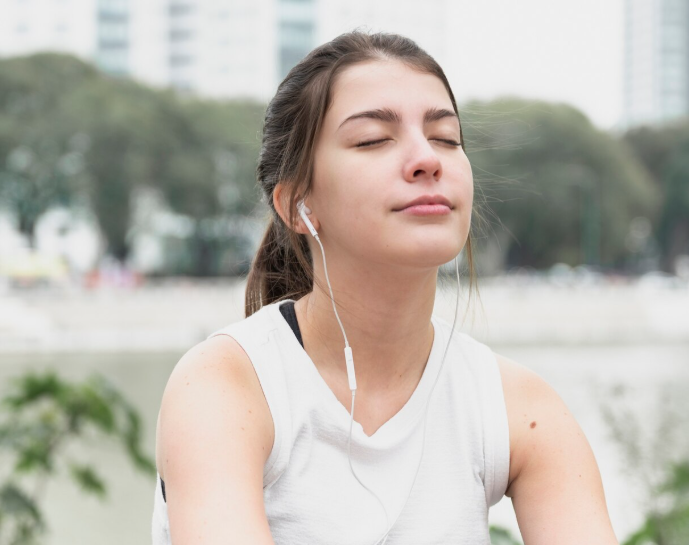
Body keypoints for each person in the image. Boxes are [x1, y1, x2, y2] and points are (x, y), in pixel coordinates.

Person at [151, 30, 619, 545]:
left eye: (446, 137)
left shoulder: (519, 407)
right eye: (373, 139)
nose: (428, 160)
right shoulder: (228, 386)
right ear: (298, 205)